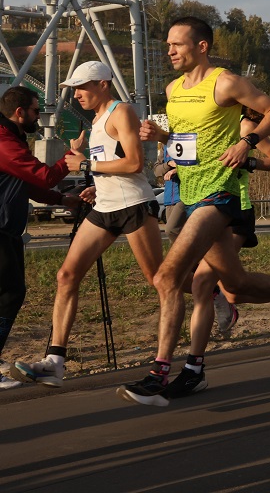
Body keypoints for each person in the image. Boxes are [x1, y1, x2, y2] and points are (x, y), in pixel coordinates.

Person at [123, 16, 270, 407]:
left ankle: (160, 372)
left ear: (201, 46)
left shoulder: (225, 81)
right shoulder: (173, 89)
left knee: (168, 276)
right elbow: (188, 141)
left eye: (177, 44)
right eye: (167, 45)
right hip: (191, 191)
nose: (169, 51)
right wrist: (163, 139)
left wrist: (246, 143)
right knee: (233, 282)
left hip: (223, 193)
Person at [11, 62, 163, 388]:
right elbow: (111, 165)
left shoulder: (122, 112)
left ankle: (215, 293)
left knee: (158, 280)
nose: (76, 94)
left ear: (103, 84)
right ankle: (55, 362)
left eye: (82, 87)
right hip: (105, 207)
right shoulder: (94, 122)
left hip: (134, 205)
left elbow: (136, 163)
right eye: (75, 88)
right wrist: (97, 183)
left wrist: (86, 163)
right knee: (66, 275)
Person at [161, 108, 270, 401]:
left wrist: (248, 160)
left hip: (237, 209)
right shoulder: (206, 126)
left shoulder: (245, 125)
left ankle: (194, 371)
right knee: (231, 287)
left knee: (202, 285)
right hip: (207, 206)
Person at [0, 86, 85, 390]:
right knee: (9, 293)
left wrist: (63, 200)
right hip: (0, 228)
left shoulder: (12, 139)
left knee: (12, 292)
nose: (40, 116)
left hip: (7, 229)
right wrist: (71, 156)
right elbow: (43, 176)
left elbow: (30, 186)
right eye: (37, 110)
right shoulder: (4, 141)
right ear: (20, 112)